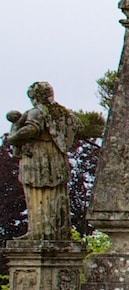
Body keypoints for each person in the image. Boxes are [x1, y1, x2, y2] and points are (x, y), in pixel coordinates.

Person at [3, 82, 77, 242]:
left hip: (40, 157)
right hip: (56, 156)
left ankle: (40, 232)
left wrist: (13, 137)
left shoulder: (37, 112)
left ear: (35, 97)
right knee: (56, 194)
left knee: (38, 193)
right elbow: (75, 126)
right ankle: (58, 231)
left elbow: (32, 128)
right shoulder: (62, 113)